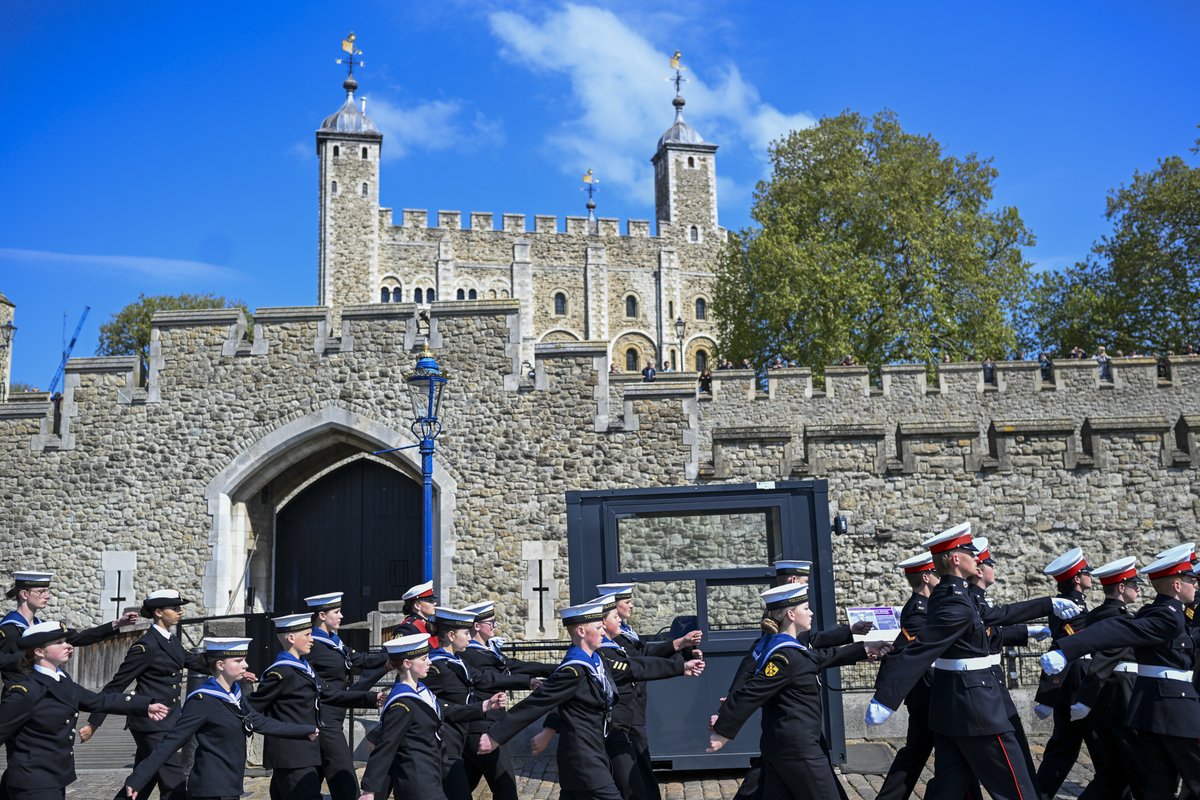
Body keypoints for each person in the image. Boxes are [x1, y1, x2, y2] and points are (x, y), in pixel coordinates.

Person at [867, 523, 1082, 800]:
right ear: (956, 559)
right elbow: (921, 649)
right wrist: (886, 697)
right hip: (977, 707)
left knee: (948, 788)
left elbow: (995, 615)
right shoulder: (953, 602)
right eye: (970, 552)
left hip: (953, 706)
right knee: (1018, 788)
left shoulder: (953, 595)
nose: (977, 558)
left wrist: (1046, 605)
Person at [1041, 546, 1200, 799]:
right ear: (1178, 586)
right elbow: (1116, 633)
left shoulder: (1161, 612)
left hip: (1150, 707)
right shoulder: (1168, 617)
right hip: (1174, 708)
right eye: (1192, 579)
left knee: (1155, 784)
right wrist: (1066, 650)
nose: (1196, 584)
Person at [708, 583, 887, 799]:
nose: (811, 613)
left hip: (782, 746)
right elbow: (752, 691)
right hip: (798, 749)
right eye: (806, 609)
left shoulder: (788, 650)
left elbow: (819, 658)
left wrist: (864, 648)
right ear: (791, 615)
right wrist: (723, 731)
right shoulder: (785, 656)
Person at [533, 595, 705, 800]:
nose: (620, 621)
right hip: (614, 728)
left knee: (634, 780)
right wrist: (549, 730)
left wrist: (681, 659)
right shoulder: (594, 655)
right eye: (615, 616)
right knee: (630, 786)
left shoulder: (615, 644)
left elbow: (643, 660)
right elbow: (564, 695)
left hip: (627, 720)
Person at [123, 637, 317, 800]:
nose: (246, 665)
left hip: (230, 787)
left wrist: (304, 730)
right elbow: (171, 742)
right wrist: (138, 777)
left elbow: (260, 722)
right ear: (220, 665)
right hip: (211, 789)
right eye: (239, 661)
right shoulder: (202, 701)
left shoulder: (235, 695)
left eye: (244, 660)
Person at [0, 620, 168, 800]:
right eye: (59, 643)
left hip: (53, 777)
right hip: (31, 782)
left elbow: (99, 700)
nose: (68, 646)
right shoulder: (26, 692)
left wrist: (144, 705)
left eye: (66, 641)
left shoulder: (61, 680)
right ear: (39, 651)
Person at [478, 598, 621, 800]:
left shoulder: (596, 661)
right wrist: (496, 736)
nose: (604, 632)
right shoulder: (574, 670)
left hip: (591, 752)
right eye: (598, 627)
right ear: (581, 632)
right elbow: (537, 702)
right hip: (584, 758)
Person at [81, 589, 213, 800]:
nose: (180, 612)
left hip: (168, 720)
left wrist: (227, 665)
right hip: (150, 724)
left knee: (143, 779)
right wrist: (93, 723)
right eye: (175, 608)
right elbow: (116, 685)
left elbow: (195, 662)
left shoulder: (171, 641)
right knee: (174, 782)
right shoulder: (145, 646)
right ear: (159, 612)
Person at [249, 613, 381, 800]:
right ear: (291, 638)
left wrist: (371, 698)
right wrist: (283, 732)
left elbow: (328, 694)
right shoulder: (280, 673)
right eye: (307, 635)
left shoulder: (303, 667)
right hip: (292, 755)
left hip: (306, 751)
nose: (312, 640)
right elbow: (251, 709)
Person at [357, 633, 502, 800]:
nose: (430, 662)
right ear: (407, 663)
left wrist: (485, 705)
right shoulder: (401, 704)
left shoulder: (421, 691)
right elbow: (385, 747)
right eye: (424, 658)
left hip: (432, 777)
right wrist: (369, 790)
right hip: (417, 784)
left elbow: (446, 710)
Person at [1067, 556, 1145, 799]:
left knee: (1115, 768)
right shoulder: (1121, 620)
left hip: (1105, 695)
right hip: (1121, 694)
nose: (1138, 589)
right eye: (1134, 584)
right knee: (1134, 764)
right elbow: (1106, 660)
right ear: (1121, 587)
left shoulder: (1097, 614)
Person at [459, 601, 554, 800]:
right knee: (506, 788)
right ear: (476, 626)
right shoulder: (470, 654)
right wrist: (527, 682)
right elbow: (493, 679)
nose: (494, 625)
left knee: (461, 786)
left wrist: (553, 669)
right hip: (481, 728)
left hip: (485, 725)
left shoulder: (486, 650)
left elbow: (512, 665)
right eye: (490, 622)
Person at [303, 592, 390, 800]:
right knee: (344, 778)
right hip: (323, 718)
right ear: (322, 616)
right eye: (336, 612)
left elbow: (359, 659)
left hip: (334, 716)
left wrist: (393, 658)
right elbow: (325, 691)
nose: (341, 616)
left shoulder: (334, 640)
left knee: (311, 779)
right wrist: (370, 698)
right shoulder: (312, 645)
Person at [1035, 547, 1100, 800]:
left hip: (1072, 681)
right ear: (1076, 578)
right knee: (1096, 746)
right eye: (1086, 573)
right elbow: (1065, 648)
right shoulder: (1073, 607)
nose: (1090, 577)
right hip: (1077, 681)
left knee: (1065, 746)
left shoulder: (1076, 604)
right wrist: (1049, 691)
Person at [875, 552, 942, 800]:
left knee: (916, 752)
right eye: (936, 573)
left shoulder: (928, 607)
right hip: (927, 695)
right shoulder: (917, 611)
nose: (940, 576)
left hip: (927, 694)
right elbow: (921, 655)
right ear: (926, 577)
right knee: (945, 754)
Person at [424, 606, 508, 800]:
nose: (470, 637)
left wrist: (528, 681)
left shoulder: (459, 661)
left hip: (460, 739)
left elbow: (486, 678)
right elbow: (412, 693)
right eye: (465, 632)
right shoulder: (436, 666)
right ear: (451, 635)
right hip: (445, 743)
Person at [0, 571, 139, 685]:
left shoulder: (41, 625)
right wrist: (33, 655)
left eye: (47, 591)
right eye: (41, 591)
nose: (47, 596)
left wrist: (117, 623)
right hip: (20, 696)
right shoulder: (8, 629)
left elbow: (79, 637)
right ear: (24, 594)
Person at [392, 581, 439, 648]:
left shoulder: (429, 624)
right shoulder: (408, 628)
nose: (435, 603)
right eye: (430, 601)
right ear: (417, 606)